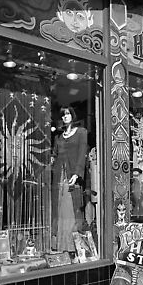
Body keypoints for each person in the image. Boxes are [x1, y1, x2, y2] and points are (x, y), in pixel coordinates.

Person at [51, 106, 88, 251]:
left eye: (68, 114)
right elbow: (55, 155)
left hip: (72, 177)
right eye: (63, 115)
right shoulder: (58, 137)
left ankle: (72, 247)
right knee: (59, 211)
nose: (65, 117)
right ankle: (60, 245)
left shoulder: (81, 133)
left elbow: (81, 153)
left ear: (73, 115)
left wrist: (77, 173)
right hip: (58, 178)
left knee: (71, 210)